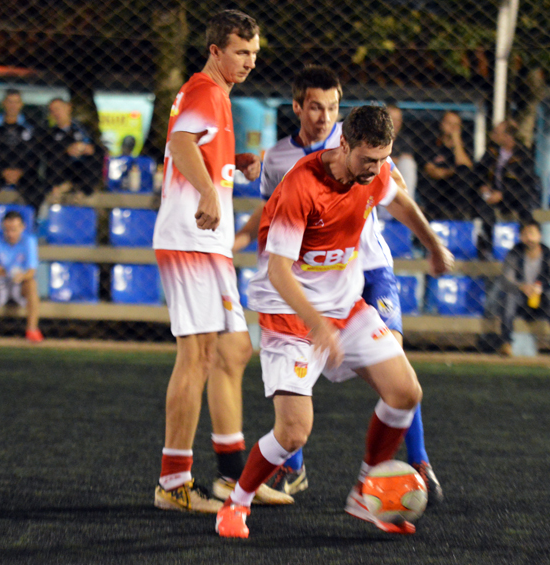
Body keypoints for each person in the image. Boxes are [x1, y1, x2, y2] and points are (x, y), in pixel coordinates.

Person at [216, 106, 454, 539]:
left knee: (405, 392)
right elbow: (279, 272)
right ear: (344, 145)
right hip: (289, 313)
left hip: (344, 307)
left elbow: (400, 202)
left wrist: (434, 246)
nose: (378, 169)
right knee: (292, 432)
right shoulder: (301, 187)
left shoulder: (374, 172)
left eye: (383, 158)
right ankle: (237, 503)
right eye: (369, 159)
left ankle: (366, 491)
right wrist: (317, 325)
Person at [152, 9, 290, 514]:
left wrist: (234, 168)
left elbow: (198, 150)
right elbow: (180, 142)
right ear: (215, 51)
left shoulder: (218, 96)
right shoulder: (206, 92)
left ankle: (232, 477)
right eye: (240, 52)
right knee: (198, 356)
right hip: (191, 240)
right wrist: (209, 189)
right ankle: (173, 483)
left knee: (233, 352)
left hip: (207, 245)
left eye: (254, 53)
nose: (250, 62)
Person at [498, 219, 550, 358]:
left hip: (542, 299)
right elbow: (506, 280)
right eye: (525, 234)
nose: (529, 238)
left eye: (532, 234)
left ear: (540, 236)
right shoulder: (514, 255)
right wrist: (522, 287)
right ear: (521, 237)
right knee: (509, 297)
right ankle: (506, 343)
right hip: (520, 298)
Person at [0, 210, 43, 343]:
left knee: (32, 284)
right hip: (0, 283)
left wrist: (22, 276)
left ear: (22, 227)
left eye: (14, 230)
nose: (10, 234)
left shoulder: (29, 241)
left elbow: (31, 271)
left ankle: (32, 330)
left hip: (20, 282)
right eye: (7, 230)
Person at [0, 89, 40, 207]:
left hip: (24, 175)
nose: (13, 106)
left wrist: (19, 171)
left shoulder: (31, 127)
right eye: (10, 102)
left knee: (36, 191)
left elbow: (35, 154)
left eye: (16, 102)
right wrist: (3, 171)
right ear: (4, 104)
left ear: (21, 104)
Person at [41, 98, 103, 206]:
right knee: (55, 156)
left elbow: (97, 149)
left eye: (58, 109)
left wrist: (87, 148)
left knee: (94, 157)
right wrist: (66, 150)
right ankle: (61, 186)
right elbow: (48, 152)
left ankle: (81, 189)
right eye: (52, 111)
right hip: (62, 170)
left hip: (82, 168)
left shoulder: (83, 129)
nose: (56, 113)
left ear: (68, 107)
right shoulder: (50, 133)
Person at [476, 119, 540, 221]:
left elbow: (525, 185)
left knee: (523, 208)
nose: (493, 135)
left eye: (497, 133)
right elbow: (479, 171)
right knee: (481, 206)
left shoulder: (523, 156)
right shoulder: (492, 152)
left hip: (515, 199)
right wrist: (483, 186)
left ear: (507, 136)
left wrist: (503, 195)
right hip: (492, 195)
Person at [417, 111, 475, 221]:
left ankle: (460, 215)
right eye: (449, 123)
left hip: (456, 187)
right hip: (436, 186)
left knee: (464, 174)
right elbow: (431, 171)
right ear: (442, 124)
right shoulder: (431, 143)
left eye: (456, 125)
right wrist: (451, 172)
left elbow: (465, 167)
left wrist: (456, 141)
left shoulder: (465, 145)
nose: (453, 127)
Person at [386, 104, 417, 203]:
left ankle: (407, 204)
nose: (395, 123)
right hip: (380, 174)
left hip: (397, 175)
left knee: (408, 164)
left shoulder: (404, 139)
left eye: (398, 120)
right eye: (392, 119)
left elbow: (406, 160)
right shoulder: (375, 138)